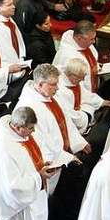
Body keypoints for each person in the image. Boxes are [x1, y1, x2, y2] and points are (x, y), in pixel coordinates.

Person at [15, 64, 91, 195]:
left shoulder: (51, 96)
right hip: (49, 160)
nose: (57, 88)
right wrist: (67, 157)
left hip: (61, 152)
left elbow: (65, 121)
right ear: (40, 84)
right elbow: (41, 141)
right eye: (53, 84)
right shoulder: (29, 107)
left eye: (57, 83)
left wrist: (79, 142)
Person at [53, 20, 103, 94]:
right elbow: (72, 81)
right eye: (91, 39)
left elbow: (91, 60)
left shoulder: (84, 44)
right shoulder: (68, 56)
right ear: (79, 38)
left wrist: (96, 66)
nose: (94, 42)